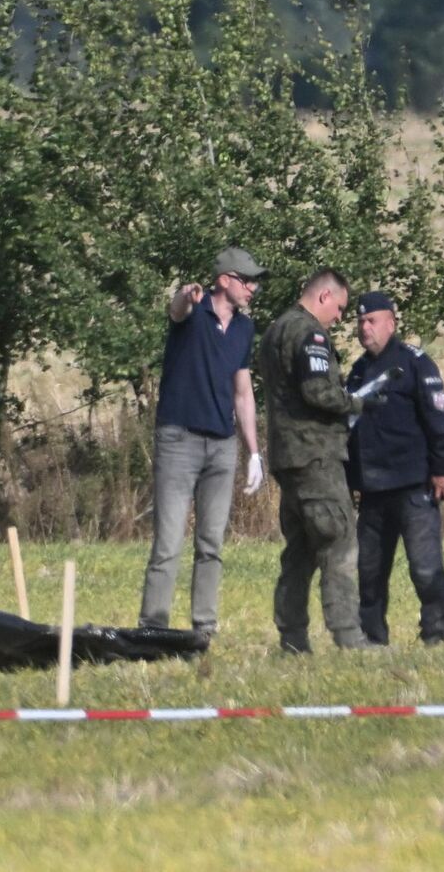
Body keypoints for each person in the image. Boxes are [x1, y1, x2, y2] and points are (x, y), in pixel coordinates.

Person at [139, 246, 266, 636]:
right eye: (247, 281)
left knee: (211, 543)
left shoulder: (245, 329)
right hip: (179, 440)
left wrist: (254, 452)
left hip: (222, 445)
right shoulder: (194, 312)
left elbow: (242, 391)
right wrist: (182, 294)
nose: (253, 289)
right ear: (225, 280)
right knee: (169, 542)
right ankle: (153, 626)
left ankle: (204, 627)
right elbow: (177, 310)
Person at [260, 269, 375, 652]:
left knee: (300, 551)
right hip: (316, 454)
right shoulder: (309, 334)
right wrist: (358, 403)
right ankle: (348, 636)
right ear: (324, 297)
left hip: (287, 455)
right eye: (339, 308)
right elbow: (317, 391)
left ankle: (292, 638)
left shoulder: (276, 328)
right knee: (339, 541)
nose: (340, 317)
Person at [345, 292, 444, 645]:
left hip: (413, 484)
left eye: (372, 320)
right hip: (373, 490)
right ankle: (372, 637)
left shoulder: (415, 363)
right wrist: (350, 479)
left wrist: (442, 466)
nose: (365, 327)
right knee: (369, 571)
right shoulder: (359, 370)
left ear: (391, 323)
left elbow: (438, 416)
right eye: (360, 321)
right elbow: (349, 427)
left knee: (425, 567)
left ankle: (436, 632)